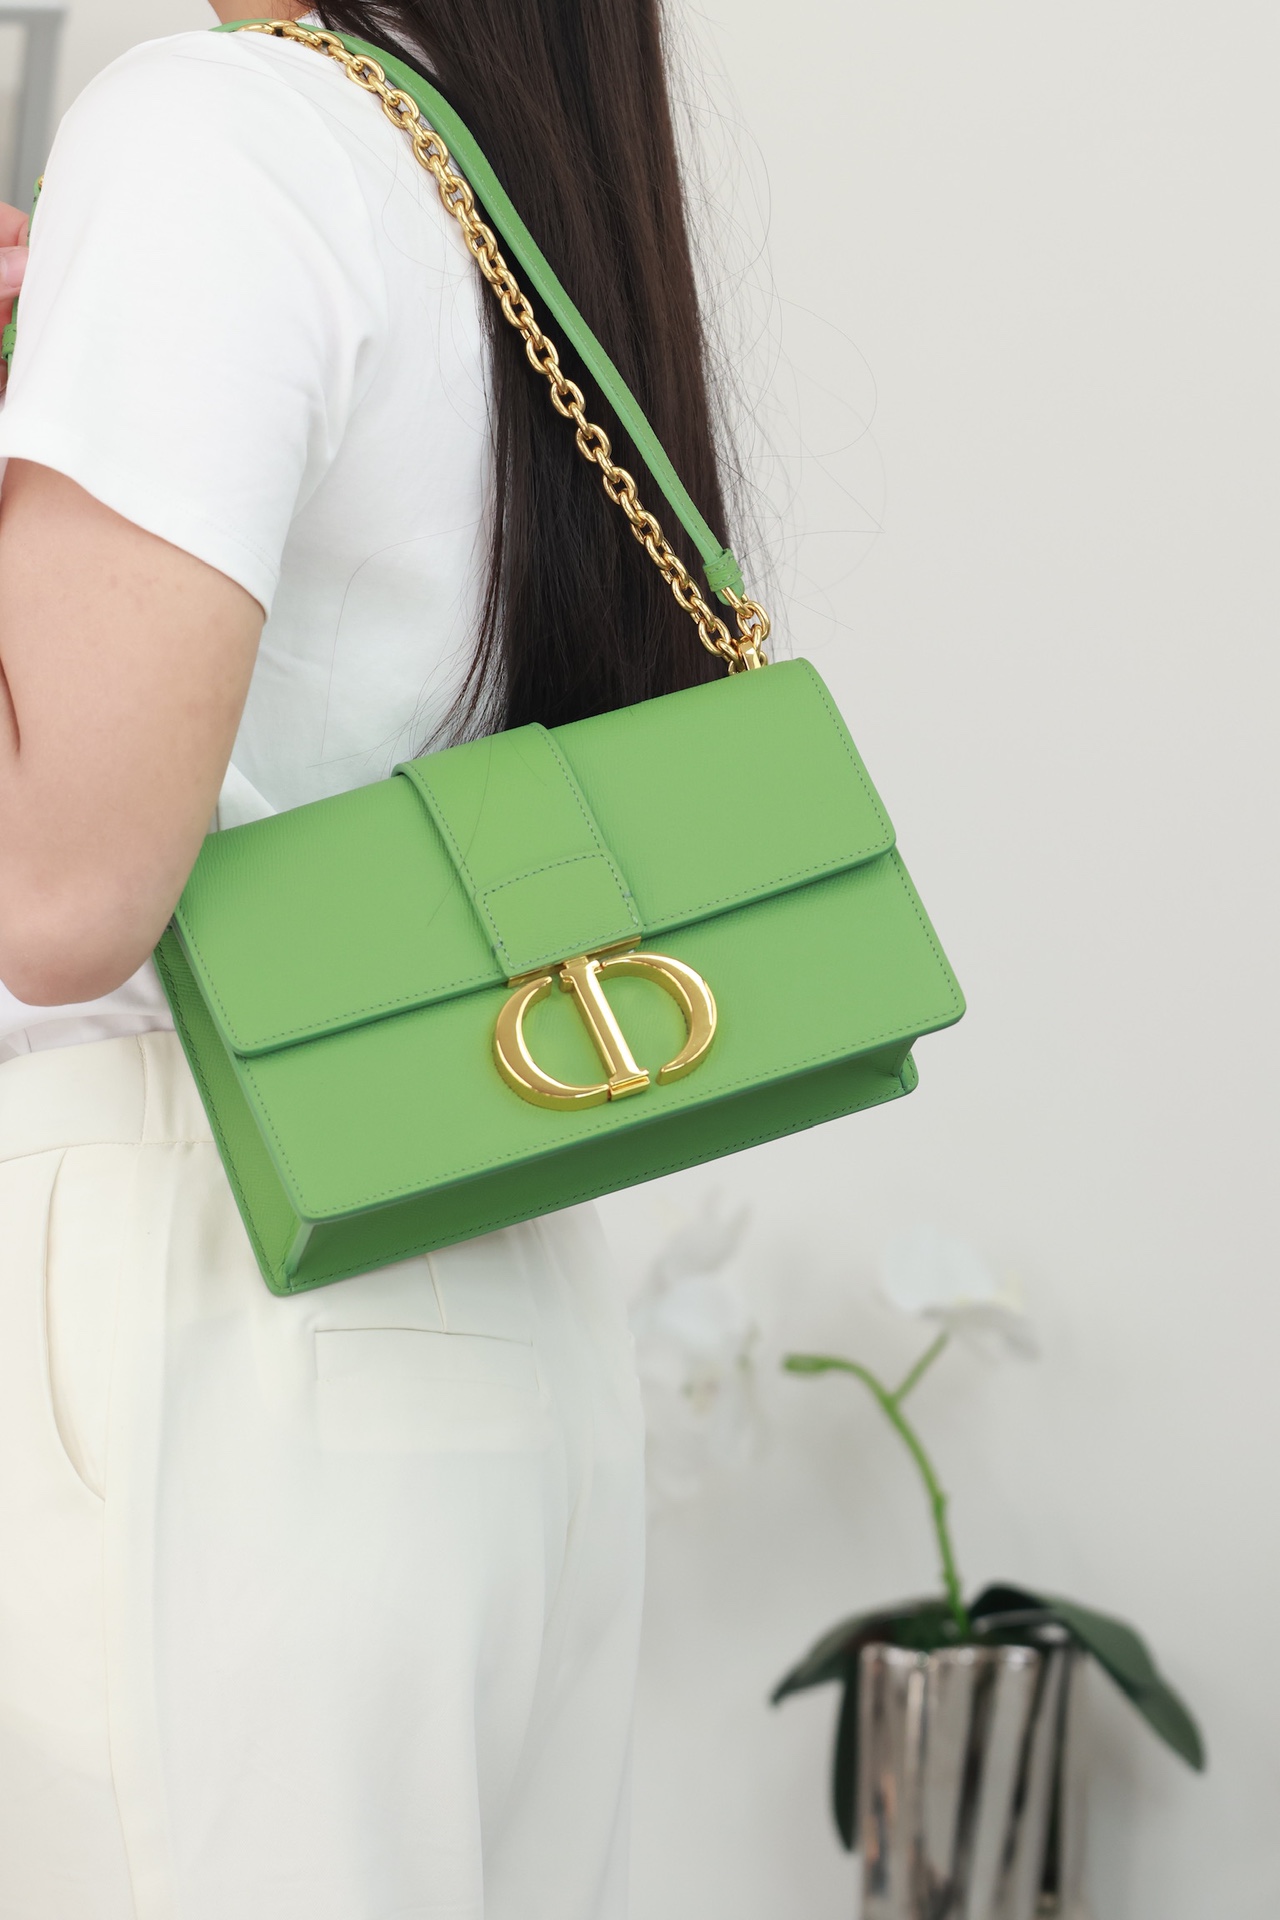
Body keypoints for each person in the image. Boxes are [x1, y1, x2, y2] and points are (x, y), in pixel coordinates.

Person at [0, 2, 739, 1913]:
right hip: (493, 1297)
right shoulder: (485, 166)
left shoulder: (212, 129)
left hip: (188, 1284)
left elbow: (54, 890)